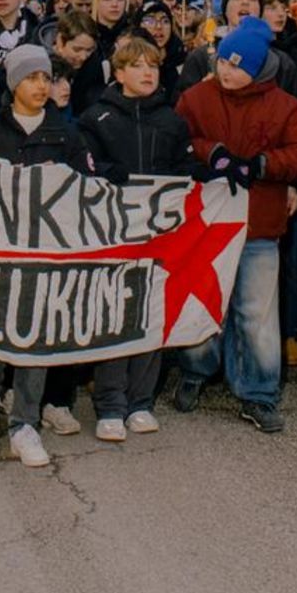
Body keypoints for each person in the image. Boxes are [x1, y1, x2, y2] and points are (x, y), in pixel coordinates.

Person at [173, 17, 297, 433]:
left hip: (259, 223)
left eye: (237, 66)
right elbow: (177, 136)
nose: (226, 72)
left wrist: (263, 165)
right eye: (222, 63)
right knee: (203, 300)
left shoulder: (284, 106)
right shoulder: (197, 97)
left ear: (256, 69)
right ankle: (196, 370)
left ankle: (258, 393)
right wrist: (210, 152)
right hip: (206, 223)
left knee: (256, 311)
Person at [0, 44, 98, 466]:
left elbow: (87, 189)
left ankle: (25, 423)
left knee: (34, 334)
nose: (42, 86)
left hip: (45, 251)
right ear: (15, 82)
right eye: (33, 78)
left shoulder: (66, 134)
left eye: (47, 79)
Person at [78, 34, 199, 440]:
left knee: (150, 315)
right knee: (115, 316)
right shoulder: (95, 118)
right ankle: (110, 403)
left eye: (153, 65)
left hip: (160, 236)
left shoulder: (172, 120)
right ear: (119, 73)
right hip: (113, 235)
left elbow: (185, 170)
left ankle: (141, 402)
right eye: (138, 65)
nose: (148, 72)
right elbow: (88, 169)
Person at [137, 0, 185, 99]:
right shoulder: (129, 62)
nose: (158, 26)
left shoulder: (182, 60)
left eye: (165, 21)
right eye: (150, 21)